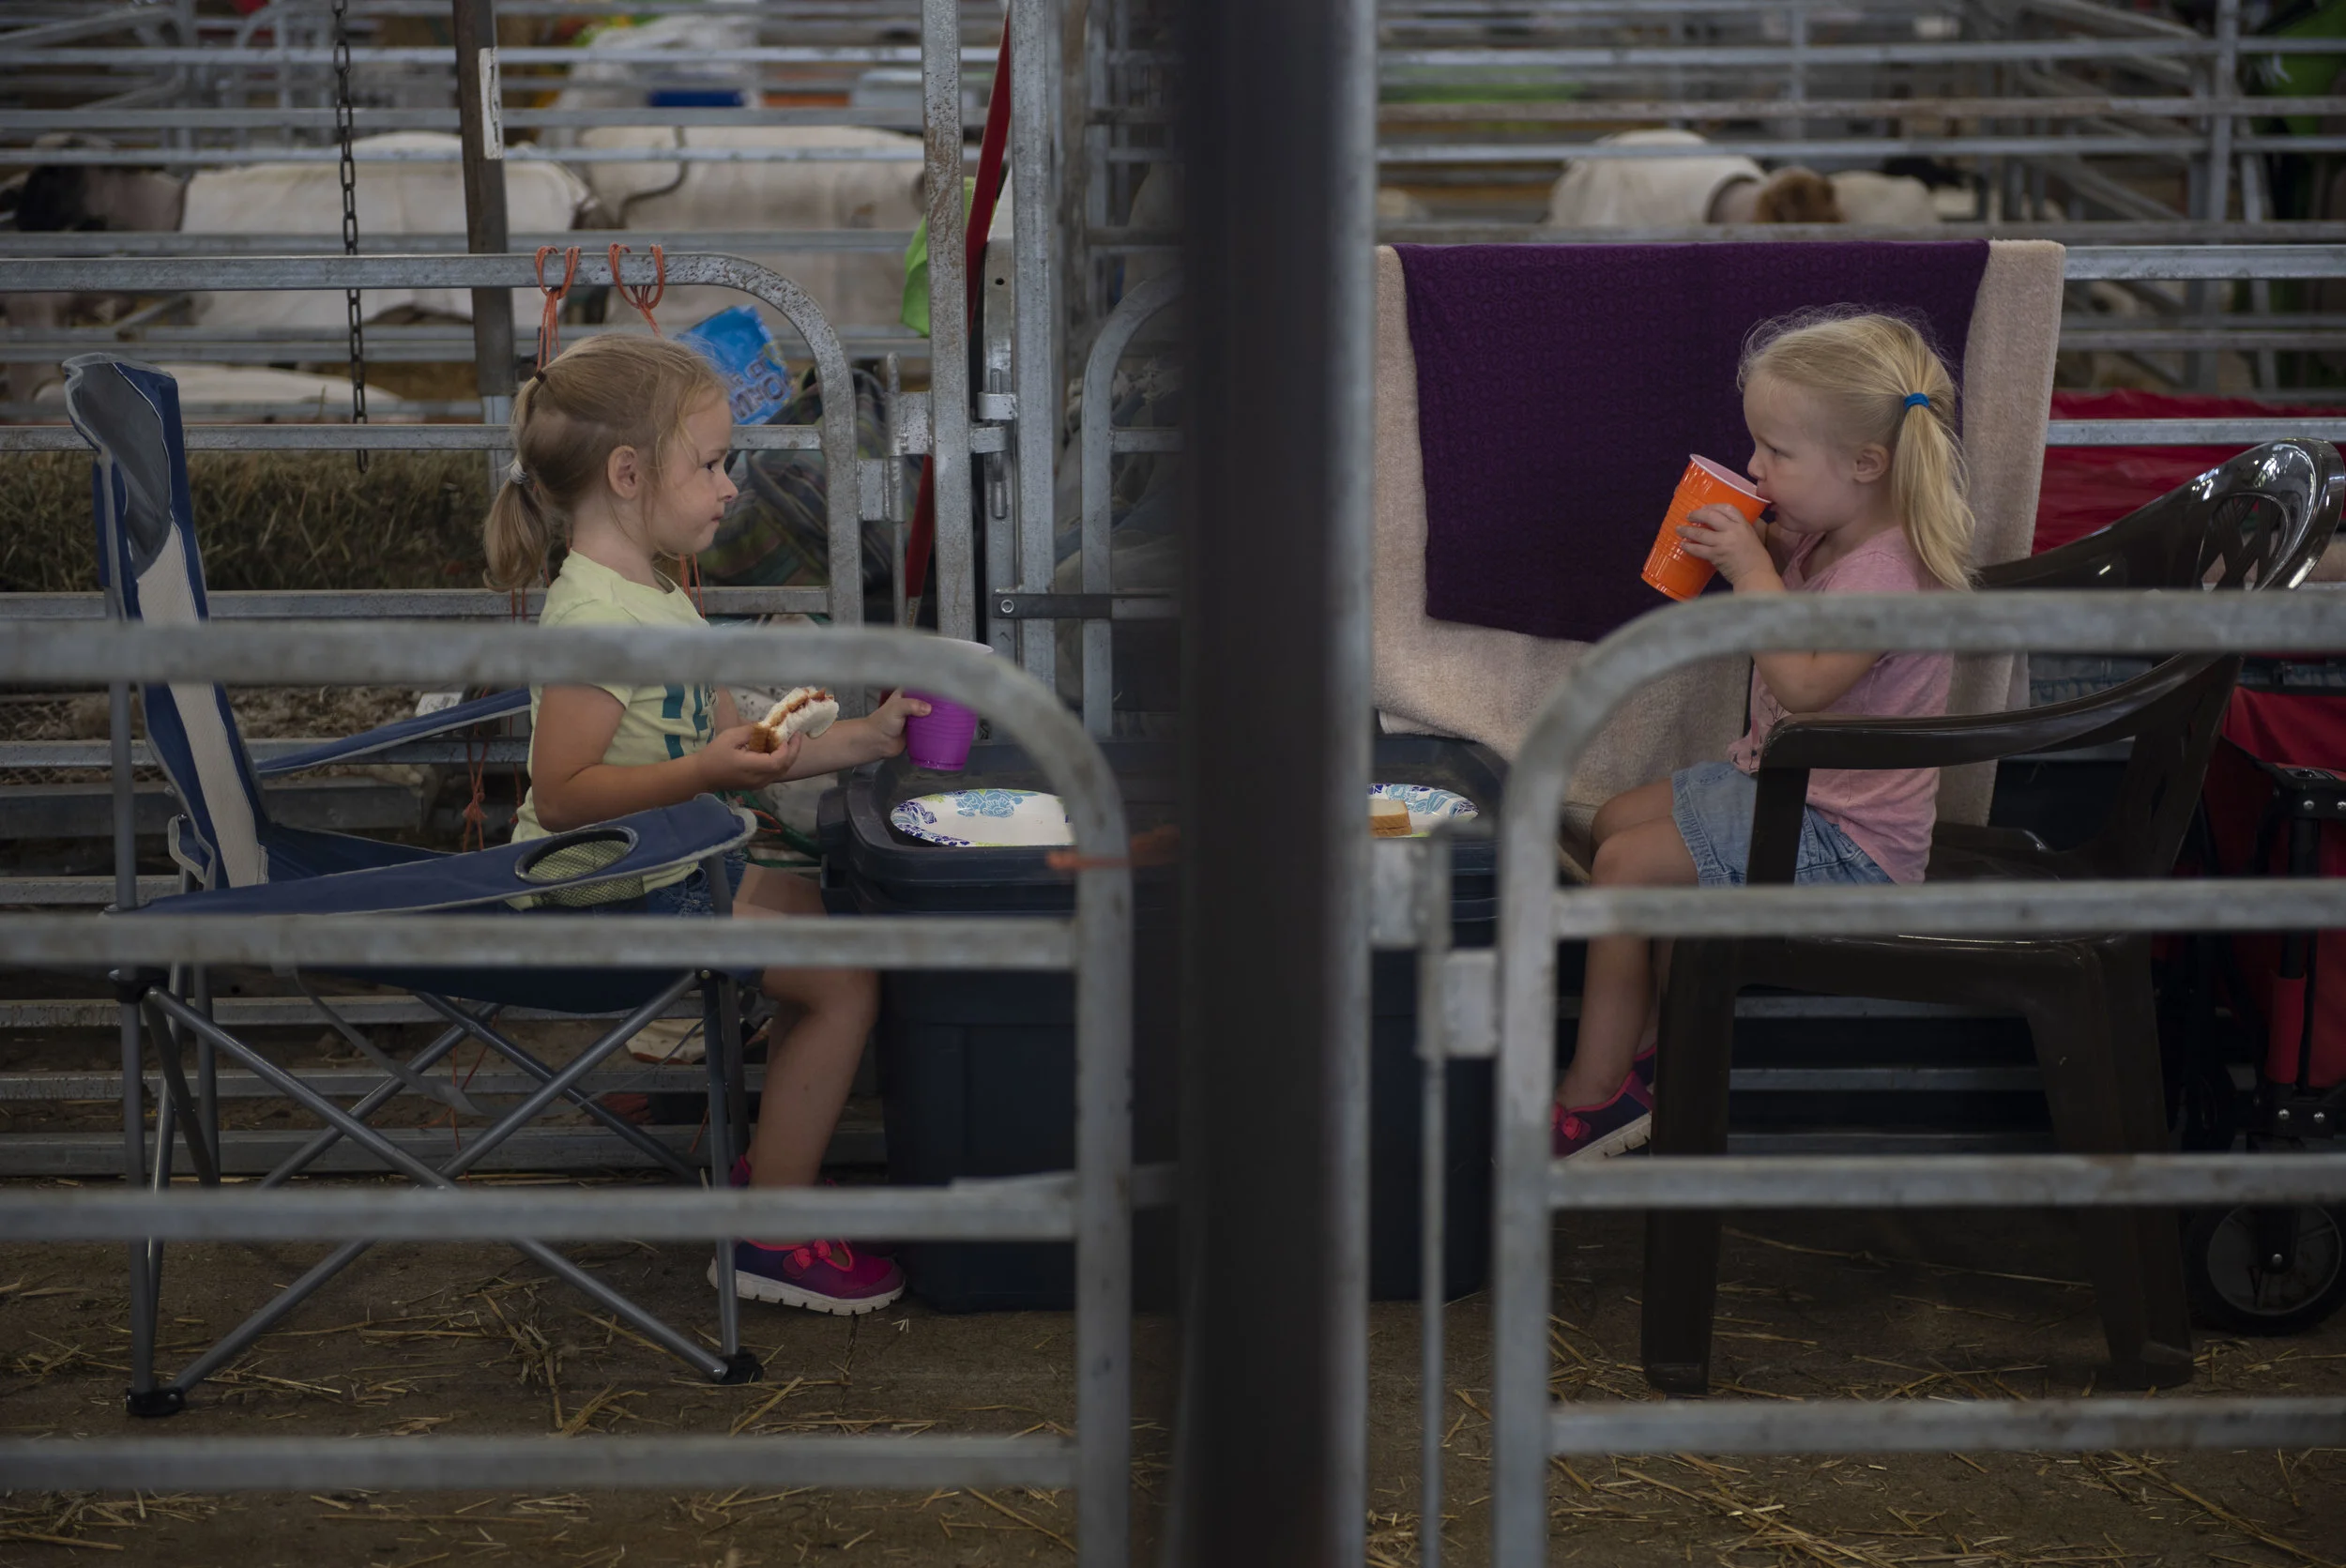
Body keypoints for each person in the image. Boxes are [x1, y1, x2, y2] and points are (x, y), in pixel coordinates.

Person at [485, 333, 927, 1312]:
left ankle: (768, 1167)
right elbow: (561, 795)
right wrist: (702, 771)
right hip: (602, 899)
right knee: (847, 986)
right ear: (630, 473)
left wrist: (865, 738)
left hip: (662, 870)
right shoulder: (595, 621)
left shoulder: (658, 595)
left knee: (807, 902)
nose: (734, 486)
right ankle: (770, 1231)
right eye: (716, 463)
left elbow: (745, 746)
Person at [1553, 310, 1974, 1161]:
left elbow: (1807, 686)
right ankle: (1657, 1046)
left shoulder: (1888, 575)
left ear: (1867, 464)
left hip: (1851, 843)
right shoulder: (1831, 535)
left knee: (1625, 865)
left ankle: (1597, 1097)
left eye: (1777, 452)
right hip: (1783, 792)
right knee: (1610, 822)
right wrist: (1778, 550)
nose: (1754, 467)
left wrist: (1751, 572)